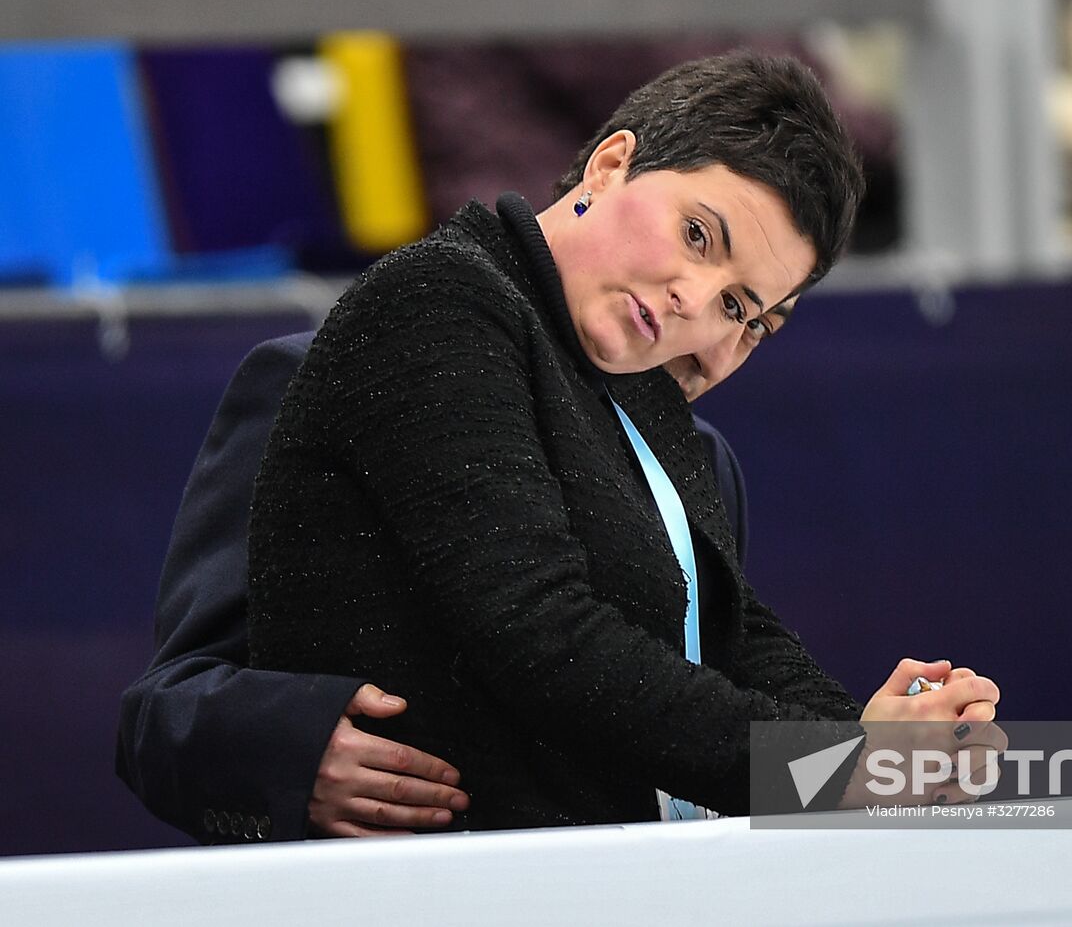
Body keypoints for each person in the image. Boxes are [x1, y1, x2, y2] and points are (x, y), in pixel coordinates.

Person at [244, 51, 999, 832]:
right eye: (698, 235)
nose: (695, 304)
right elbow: (546, 639)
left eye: (738, 308)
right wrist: (835, 766)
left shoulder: (631, 383)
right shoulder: (438, 299)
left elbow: (730, 632)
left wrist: (881, 743)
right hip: (447, 881)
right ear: (610, 165)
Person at [116, 326, 765, 844]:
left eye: (758, 320)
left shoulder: (700, 466)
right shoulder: (327, 380)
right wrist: (294, 751)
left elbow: (725, 741)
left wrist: (834, 792)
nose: (716, 352)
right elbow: (162, 714)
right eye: (700, 244)